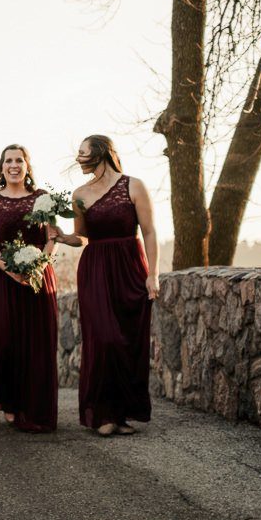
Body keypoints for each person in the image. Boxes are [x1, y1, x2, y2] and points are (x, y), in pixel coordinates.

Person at [50, 135, 160, 436]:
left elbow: (149, 232)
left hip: (130, 267)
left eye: (83, 153)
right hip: (96, 268)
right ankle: (102, 414)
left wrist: (153, 274)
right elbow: (82, 237)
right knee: (104, 338)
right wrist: (60, 236)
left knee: (128, 340)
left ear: (100, 153)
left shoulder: (133, 185)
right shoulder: (80, 194)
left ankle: (121, 414)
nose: (79, 159)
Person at [0, 145, 58, 433]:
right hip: (4, 277)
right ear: (1, 167)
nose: (13, 165)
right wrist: (11, 271)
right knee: (7, 338)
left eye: (19, 160)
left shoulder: (42, 198)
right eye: (8, 161)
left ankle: (37, 406)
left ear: (27, 166)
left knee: (38, 340)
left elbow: (52, 237)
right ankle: (11, 401)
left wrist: (39, 264)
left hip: (39, 275)